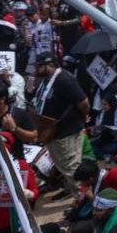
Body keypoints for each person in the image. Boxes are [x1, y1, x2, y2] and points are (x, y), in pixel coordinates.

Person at [31, 52, 90, 198]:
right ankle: (74, 194)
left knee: (71, 168)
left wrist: (82, 117)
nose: (36, 70)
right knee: (62, 167)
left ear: (49, 64)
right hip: (52, 133)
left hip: (67, 132)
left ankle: (83, 200)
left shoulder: (64, 79)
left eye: (39, 66)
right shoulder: (46, 80)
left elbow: (83, 103)